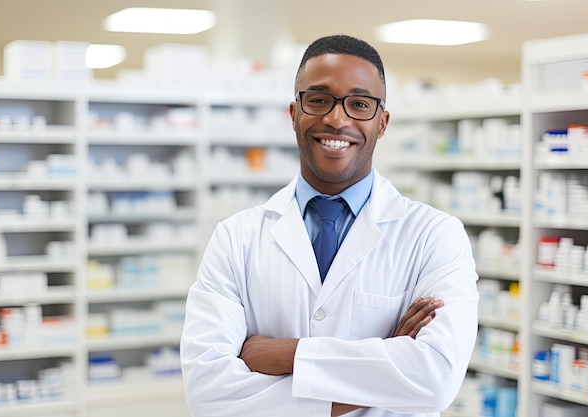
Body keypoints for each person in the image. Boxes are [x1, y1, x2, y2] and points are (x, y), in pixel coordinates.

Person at [180, 34, 479, 417]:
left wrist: (284, 354)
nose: (337, 119)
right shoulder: (235, 238)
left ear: (382, 123)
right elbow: (208, 396)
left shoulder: (435, 236)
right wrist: (386, 360)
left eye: (359, 104)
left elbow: (434, 380)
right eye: (319, 100)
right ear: (293, 114)